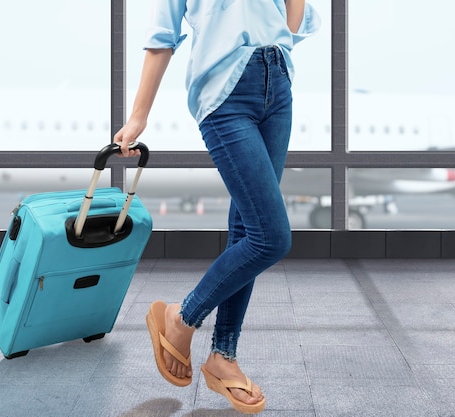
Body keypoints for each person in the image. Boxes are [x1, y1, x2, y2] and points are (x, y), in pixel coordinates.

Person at [113, 1, 320, 414]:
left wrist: (279, 44)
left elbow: (294, 14)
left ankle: (223, 357)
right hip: (226, 92)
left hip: (277, 83)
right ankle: (181, 316)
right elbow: (161, 39)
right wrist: (138, 117)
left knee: (247, 231)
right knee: (271, 238)